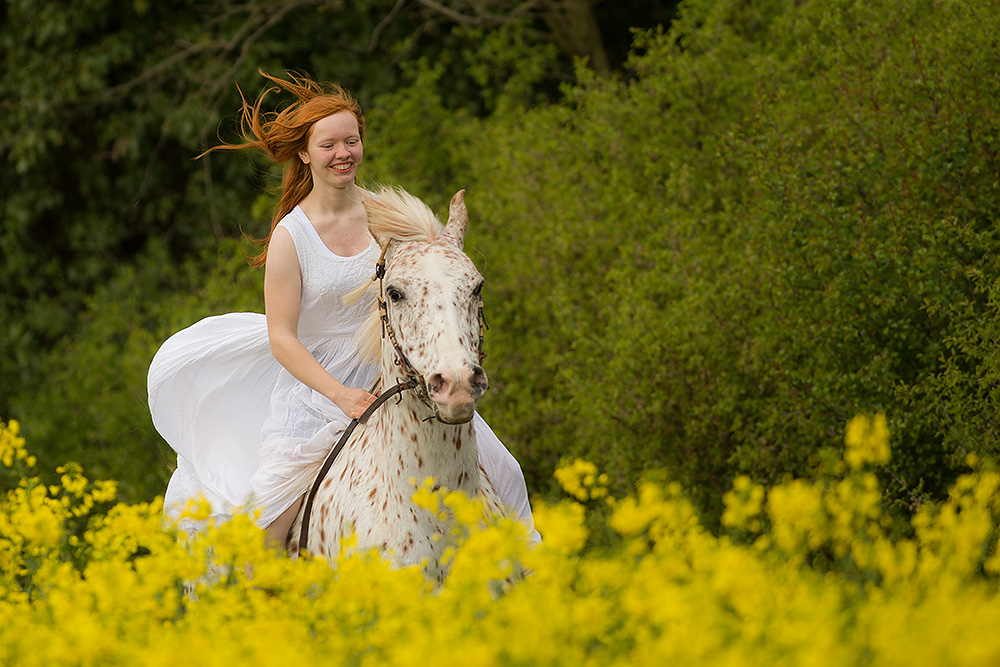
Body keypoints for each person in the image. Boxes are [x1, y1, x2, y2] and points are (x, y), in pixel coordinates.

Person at [147, 70, 539, 549]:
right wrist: (341, 395)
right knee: (265, 531)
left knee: (508, 475)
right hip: (316, 392)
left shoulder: (391, 219)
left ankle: (530, 581)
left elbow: (434, 285)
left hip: (400, 378)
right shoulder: (293, 237)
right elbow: (282, 338)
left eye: (351, 141)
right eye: (329, 145)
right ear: (304, 153)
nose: (342, 154)